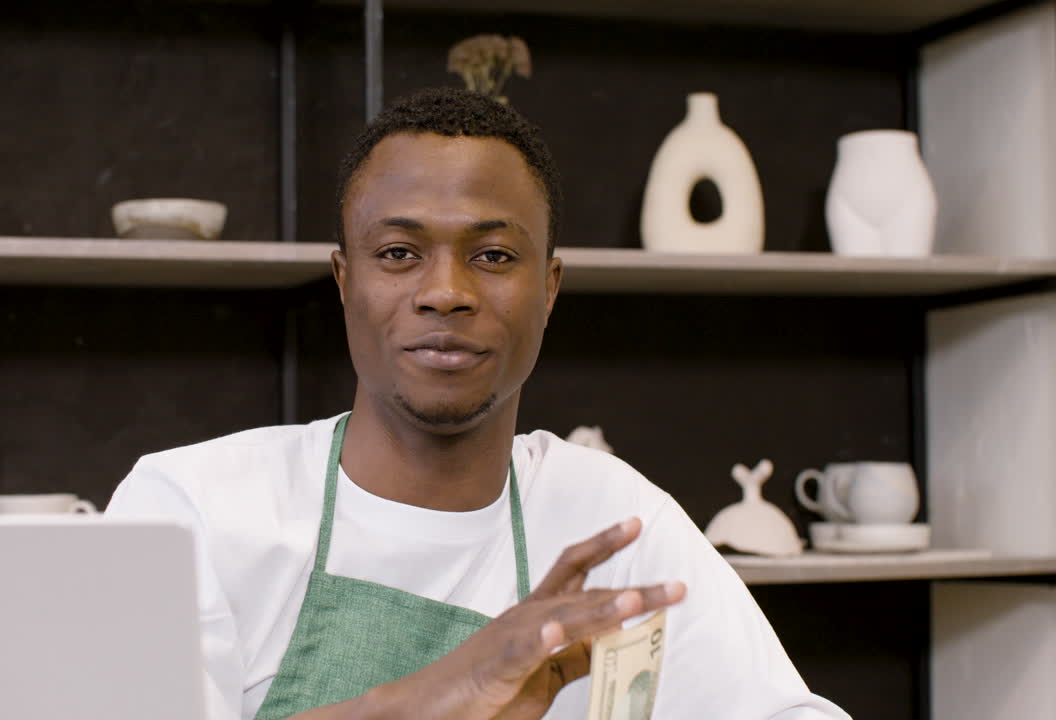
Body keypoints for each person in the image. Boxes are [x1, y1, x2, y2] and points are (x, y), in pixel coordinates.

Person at [105, 87, 850, 720]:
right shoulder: (191, 509)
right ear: (343, 280)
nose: (446, 292)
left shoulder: (614, 522)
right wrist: (455, 686)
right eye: (399, 253)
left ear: (550, 288)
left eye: (493, 256)